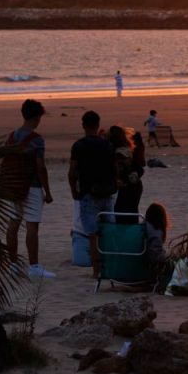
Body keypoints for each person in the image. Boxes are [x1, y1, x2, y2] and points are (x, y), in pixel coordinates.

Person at [5, 99, 55, 278]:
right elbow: (40, 167)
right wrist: (47, 191)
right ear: (36, 117)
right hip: (31, 186)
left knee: (13, 223)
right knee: (32, 226)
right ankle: (34, 266)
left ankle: (12, 265)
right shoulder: (36, 139)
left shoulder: (11, 136)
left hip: (13, 185)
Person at [69, 110, 118, 277]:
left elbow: (72, 172)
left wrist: (74, 191)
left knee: (92, 235)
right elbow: (114, 168)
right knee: (109, 231)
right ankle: (110, 266)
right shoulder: (107, 145)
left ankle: (96, 271)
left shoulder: (78, 146)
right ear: (98, 125)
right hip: (107, 192)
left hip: (88, 192)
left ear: (83, 125)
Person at [109, 125, 144, 215]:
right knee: (130, 211)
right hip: (134, 186)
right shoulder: (128, 149)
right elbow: (140, 168)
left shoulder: (118, 152)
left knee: (121, 211)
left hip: (127, 186)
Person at [142, 202, 169, 273]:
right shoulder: (155, 233)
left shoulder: (141, 228)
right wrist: (168, 256)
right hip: (146, 270)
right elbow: (156, 257)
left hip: (133, 266)